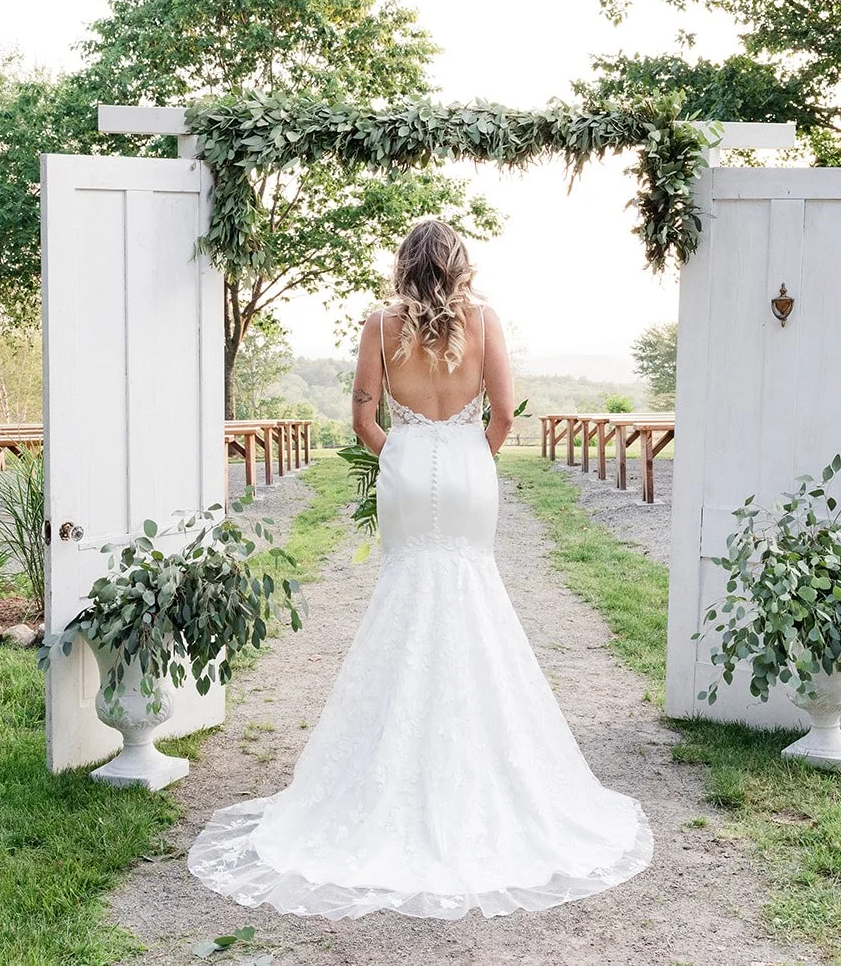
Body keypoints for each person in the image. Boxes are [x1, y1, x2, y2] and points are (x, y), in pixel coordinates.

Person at [188, 219, 651, 919]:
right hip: (468, 471)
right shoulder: (486, 320)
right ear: (459, 265)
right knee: (472, 588)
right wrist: (469, 454)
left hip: (405, 470)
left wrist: (399, 453)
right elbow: (502, 415)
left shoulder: (380, 326)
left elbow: (361, 414)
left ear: (405, 264)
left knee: (406, 589)